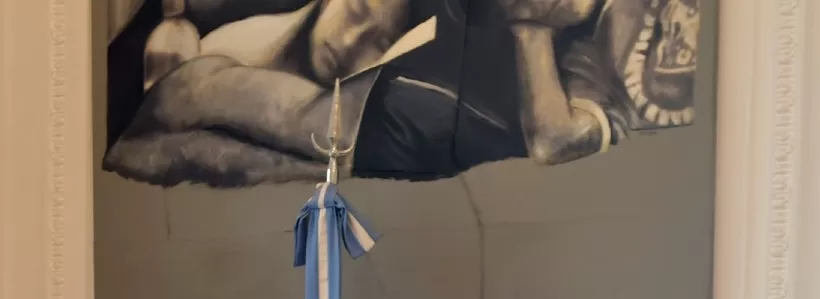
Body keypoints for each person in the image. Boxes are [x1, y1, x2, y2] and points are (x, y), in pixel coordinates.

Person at [103, 0, 701, 187]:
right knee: (253, 161)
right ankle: (131, 158)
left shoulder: (646, 74)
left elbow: (554, 137)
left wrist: (532, 28)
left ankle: (130, 151)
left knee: (197, 93)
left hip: (426, 109)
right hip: (421, 84)